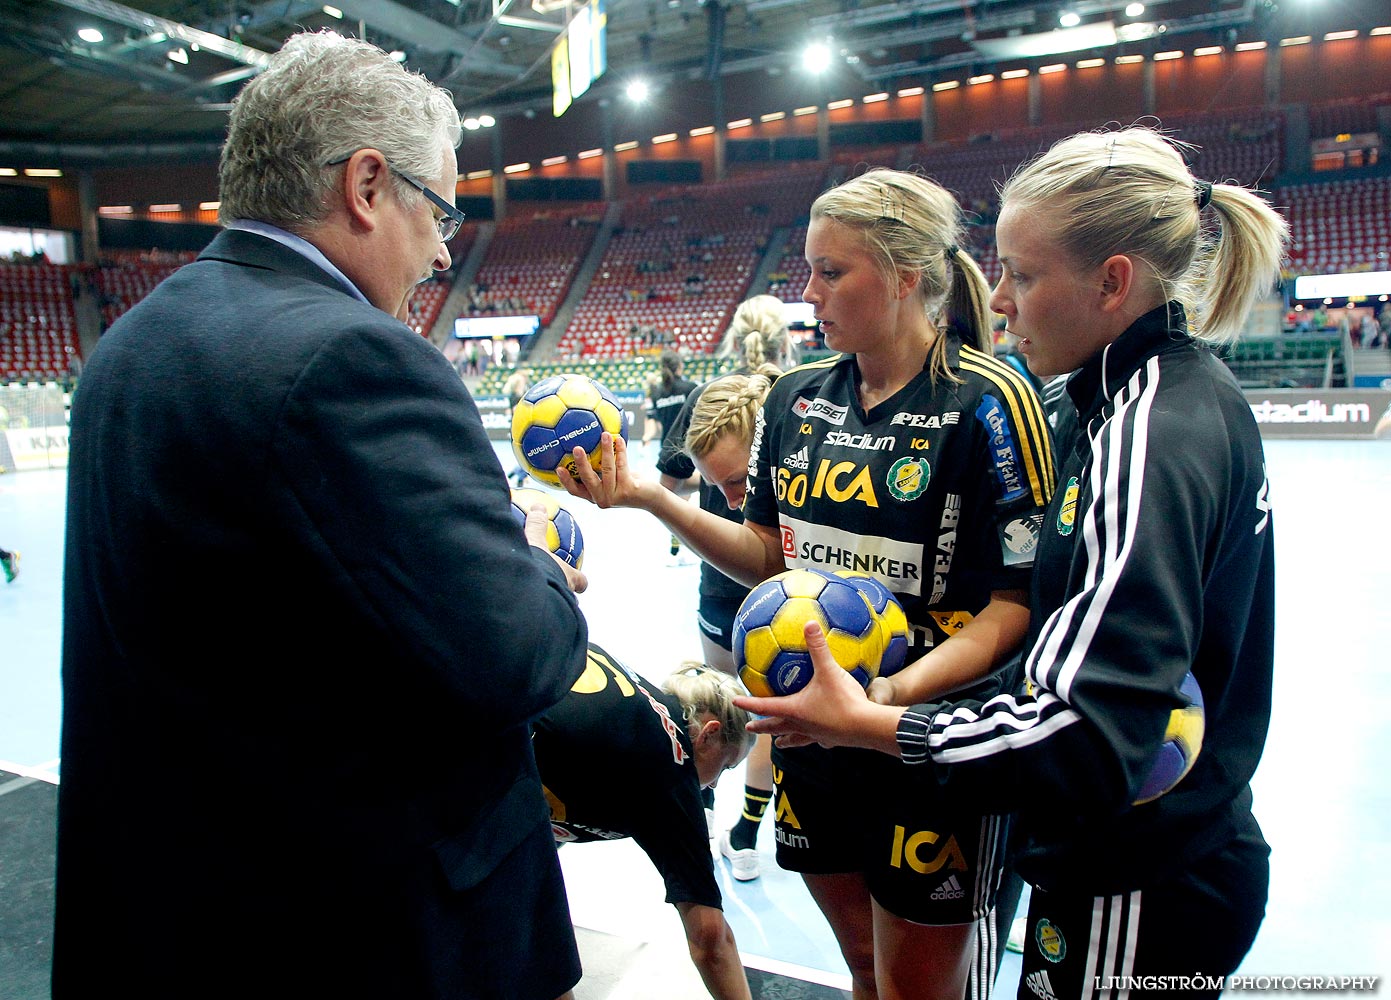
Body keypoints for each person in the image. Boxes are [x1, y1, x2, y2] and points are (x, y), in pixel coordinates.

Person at [56, 31, 589, 1000]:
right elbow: (516, 656)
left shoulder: (134, 342)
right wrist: (537, 562)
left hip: (186, 906)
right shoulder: (349, 357)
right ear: (367, 184)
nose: (439, 250)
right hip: (357, 932)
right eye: (439, 209)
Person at [734, 126, 1288, 1000]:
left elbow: (1087, 731)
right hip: (1105, 861)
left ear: (1112, 282)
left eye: (1023, 276)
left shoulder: (1149, 433)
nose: (998, 300)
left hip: (1137, 873)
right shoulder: (1116, 405)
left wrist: (877, 720)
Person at [560, 168, 1056, 1000]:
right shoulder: (793, 398)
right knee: (863, 971)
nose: (809, 293)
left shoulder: (991, 402)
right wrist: (649, 497)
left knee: (922, 991)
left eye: (831, 272)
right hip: (809, 740)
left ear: (903, 277)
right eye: (808, 271)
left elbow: (1016, 603)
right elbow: (766, 555)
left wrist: (882, 699)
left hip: (925, 743)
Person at [655, 296, 793, 882]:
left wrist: (701, 507)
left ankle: (703, 806)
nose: (736, 496)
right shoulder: (796, 404)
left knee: (714, 697)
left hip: (720, 586)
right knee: (769, 716)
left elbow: (669, 479)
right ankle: (746, 833)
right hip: (788, 593)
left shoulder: (702, 401)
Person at [532, 644, 755, 1000]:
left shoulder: (639, 701)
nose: (713, 785)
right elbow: (711, 940)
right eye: (726, 767)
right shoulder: (668, 773)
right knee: (543, 959)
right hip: (460, 774)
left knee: (541, 940)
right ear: (709, 733)